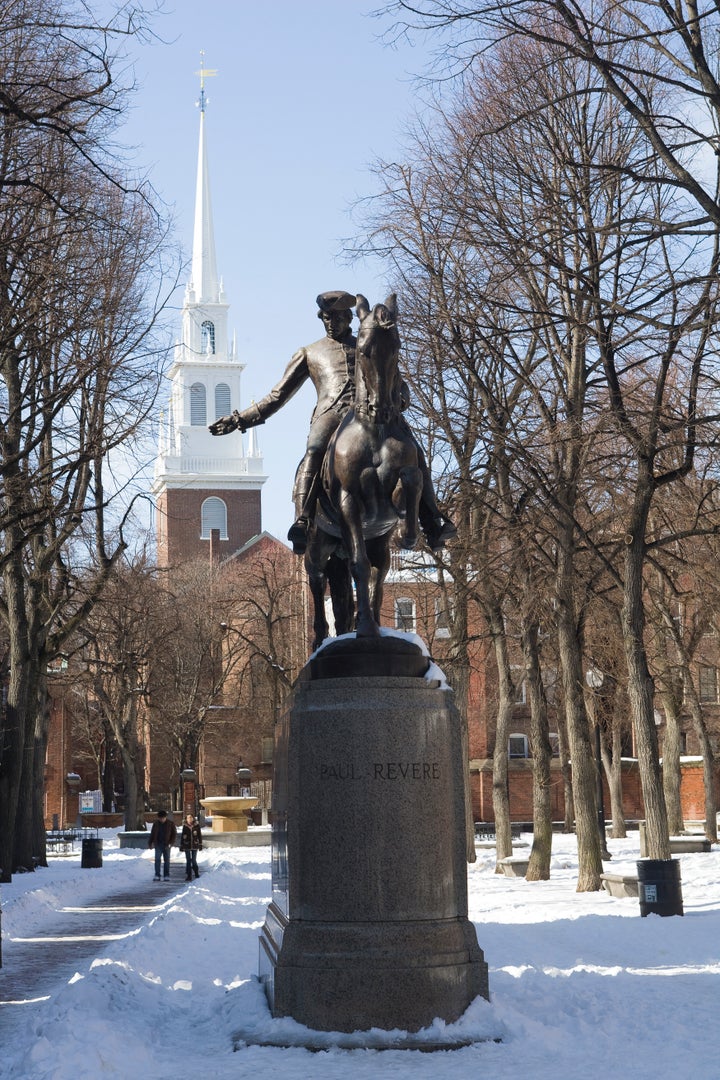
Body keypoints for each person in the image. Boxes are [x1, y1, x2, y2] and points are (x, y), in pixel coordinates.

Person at [209, 290, 455, 555]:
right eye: (325, 318)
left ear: (349, 317)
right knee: (313, 452)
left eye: (336, 317)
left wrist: (400, 399)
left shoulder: (366, 340)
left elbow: (393, 376)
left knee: (414, 451)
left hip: (374, 413)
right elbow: (278, 395)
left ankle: (432, 521)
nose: (330, 322)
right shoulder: (309, 353)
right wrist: (240, 419)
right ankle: (303, 519)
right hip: (331, 414)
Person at [148, 809, 177, 882]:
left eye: (163, 818)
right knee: (157, 860)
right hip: (158, 844)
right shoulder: (156, 824)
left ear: (165, 817)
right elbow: (152, 834)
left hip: (167, 845)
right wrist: (150, 843)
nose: (162, 819)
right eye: (160, 818)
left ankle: (166, 875)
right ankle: (157, 875)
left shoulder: (170, 823)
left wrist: (171, 842)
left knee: (166, 861)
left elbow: (174, 834)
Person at [180, 813, 203, 881]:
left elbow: (199, 835)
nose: (189, 819)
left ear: (193, 818)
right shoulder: (185, 826)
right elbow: (182, 836)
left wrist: (200, 844)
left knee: (193, 860)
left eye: (190, 817)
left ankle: (196, 873)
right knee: (188, 861)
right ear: (186, 819)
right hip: (187, 845)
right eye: (188, 818)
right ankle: (189, 875)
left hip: (194, 845)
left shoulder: (197, 826)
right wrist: (181, 845)